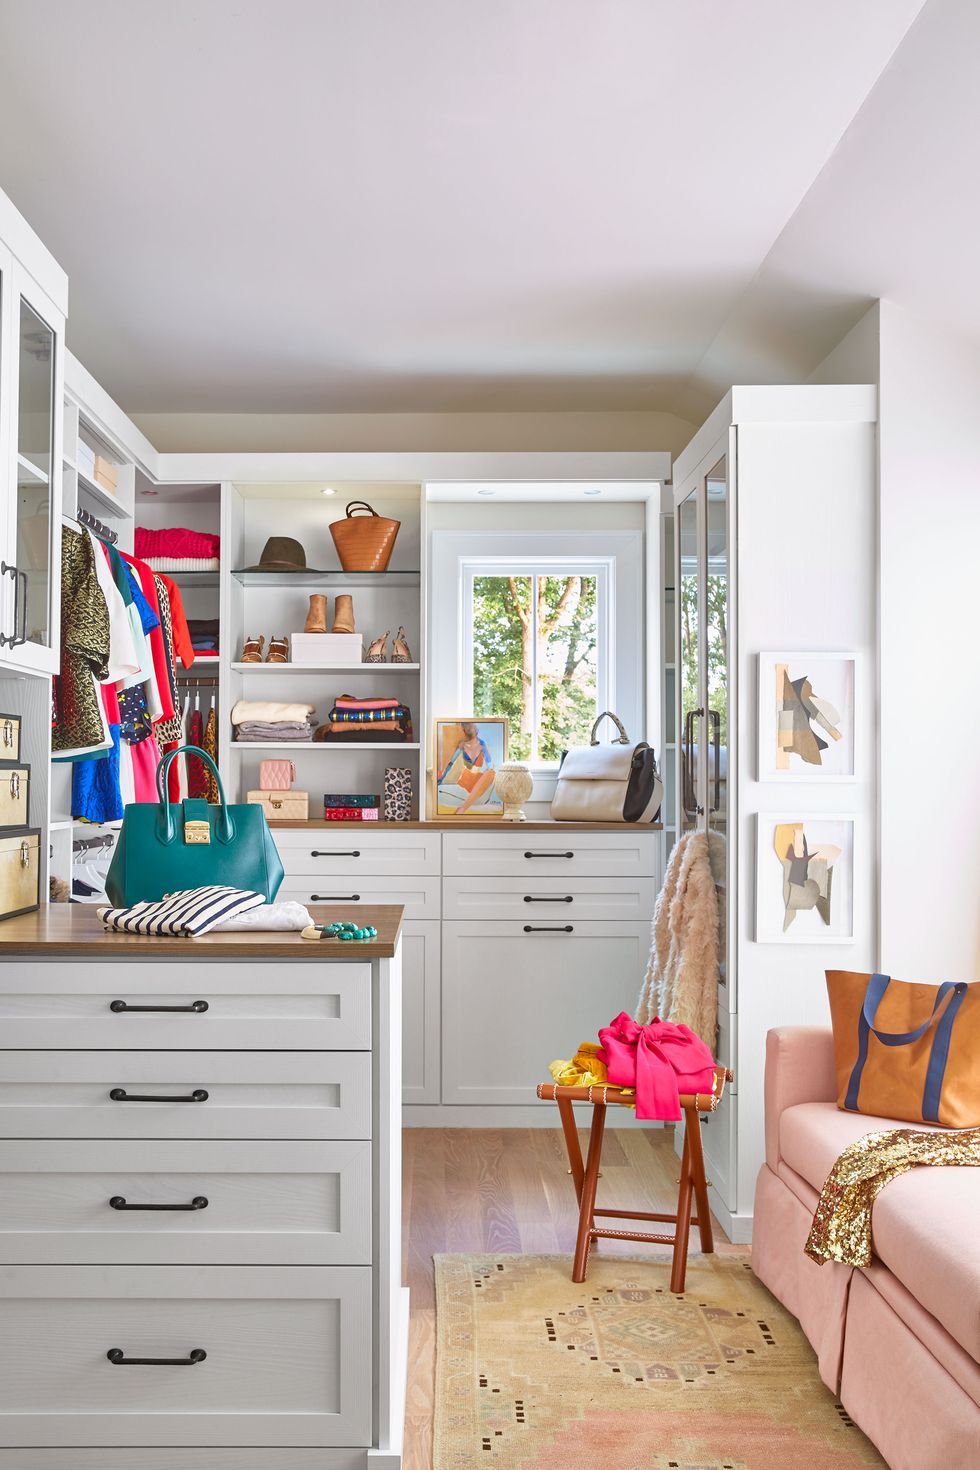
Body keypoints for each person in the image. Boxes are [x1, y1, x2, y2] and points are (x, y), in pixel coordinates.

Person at [438, 721, 497, 814]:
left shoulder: (482, 744)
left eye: (473, 727)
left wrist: (488, 770)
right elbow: (451, 763)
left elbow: (490, 766)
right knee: (490, 772)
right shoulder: (462, 745)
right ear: (465, 731)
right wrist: (441, 778)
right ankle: (462, 809)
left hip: (479, 780)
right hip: (466, 780)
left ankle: (462, 809)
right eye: (470, 727)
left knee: (491, 772)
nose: (473, 729)